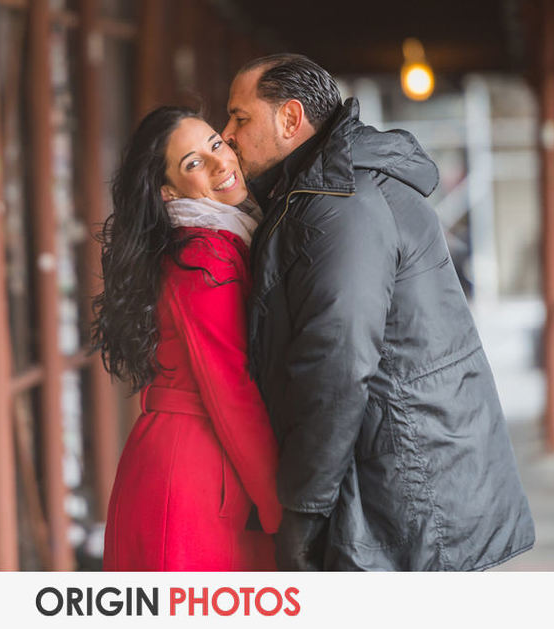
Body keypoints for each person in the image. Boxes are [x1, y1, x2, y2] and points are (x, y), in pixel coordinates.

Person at [221, 53, 535, 571]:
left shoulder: (341, 203)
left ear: (291, 119)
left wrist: (302, 510)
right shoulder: (323, 190)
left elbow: (337, 362)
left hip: (409, 478)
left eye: (240, 117)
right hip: (406, 464)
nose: (226, 133)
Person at [94, 106, 282, 570]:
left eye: (216, 144)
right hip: (195, 475)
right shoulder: (203, 255)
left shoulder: (218, 237)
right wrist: (285, 513)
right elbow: (231, 392)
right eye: (193, 163)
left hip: (195, 463)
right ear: (168, 191)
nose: (220, 163)